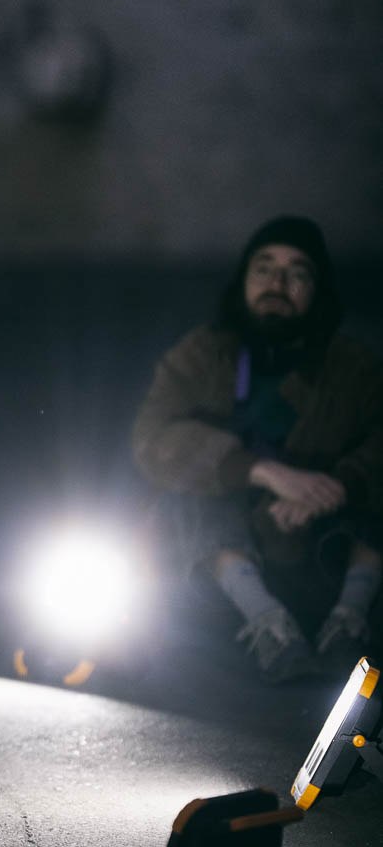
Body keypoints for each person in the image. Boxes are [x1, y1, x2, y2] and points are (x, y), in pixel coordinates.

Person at [131, 215, 383, 683]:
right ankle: (270, 626)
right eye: (264, 269)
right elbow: (152, 437)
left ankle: (348, 625)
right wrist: (259, 470)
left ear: (317, 290)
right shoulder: (202, 355)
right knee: (178, 500)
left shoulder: (354, 367)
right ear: (244, 280)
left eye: (296, 273)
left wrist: (337, 487)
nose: (277, 284)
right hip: (229, 562)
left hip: (320, 550)